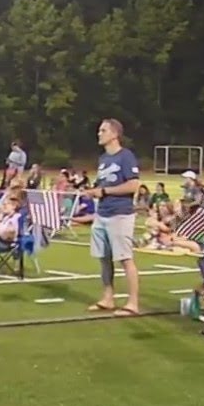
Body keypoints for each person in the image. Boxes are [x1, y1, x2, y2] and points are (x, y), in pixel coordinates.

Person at [85, 119, 141, 316]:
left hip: (120, 214)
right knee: (104, 258)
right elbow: (102, 185)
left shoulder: (126, 156)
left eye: (103, 130)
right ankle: (108, 297)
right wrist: (92, 191)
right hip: (102, 213)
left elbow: (134, 185)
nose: (99, 133)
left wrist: (105, 191)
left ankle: (133, 302)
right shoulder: (103, 160)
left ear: (114, 134)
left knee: (125, 258)